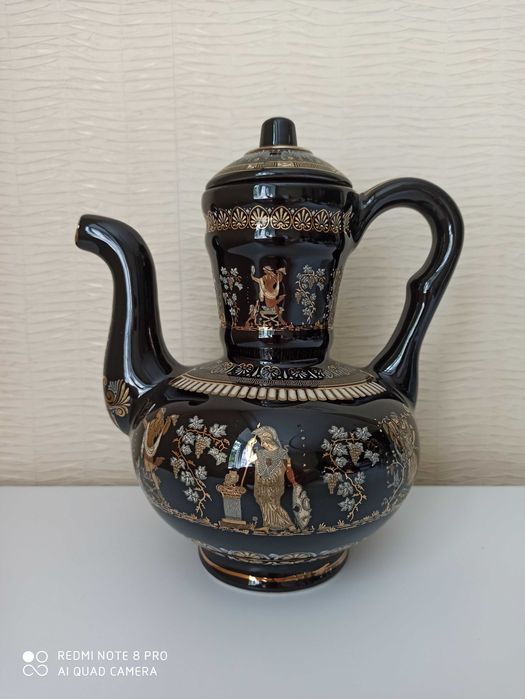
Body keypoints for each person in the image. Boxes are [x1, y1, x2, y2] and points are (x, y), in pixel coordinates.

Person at [245, 425, 296, 532]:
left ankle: (289, 524)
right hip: (261, 485)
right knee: (264, 505)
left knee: (274, 505)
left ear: (269, 441)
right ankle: (267, 525)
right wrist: (249, 445)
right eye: (262, 442)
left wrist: (293, 481)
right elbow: (249, 459)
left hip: (275, 485)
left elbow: (288, 469)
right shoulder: (260, 453)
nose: (262, 444)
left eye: (263, 442)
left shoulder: (282, 453)